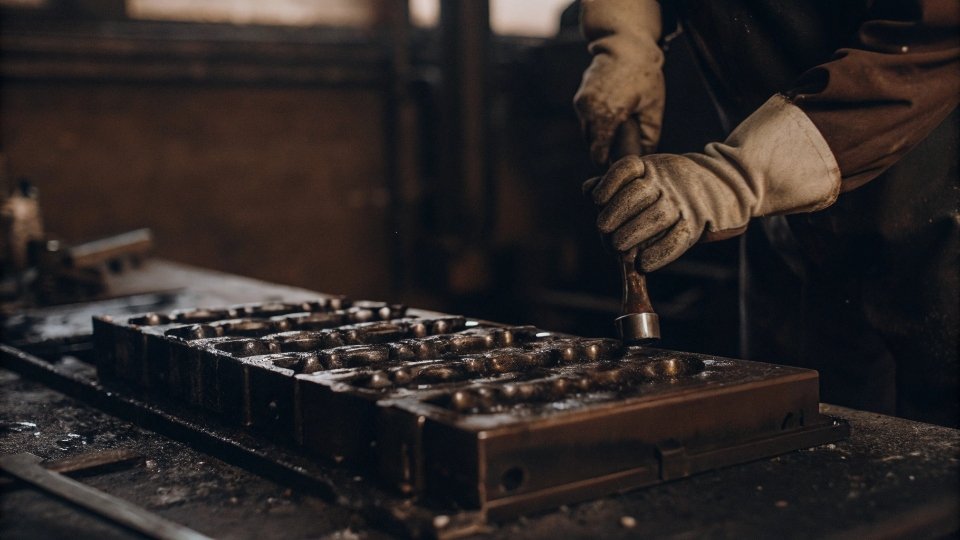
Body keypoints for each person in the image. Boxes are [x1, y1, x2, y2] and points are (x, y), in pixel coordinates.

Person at [573, 0, 959, 427]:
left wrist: (738, 176)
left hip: (934, 213)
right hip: (785, 222)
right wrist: (624, 38)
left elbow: (935, 31)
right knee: (791, 432)